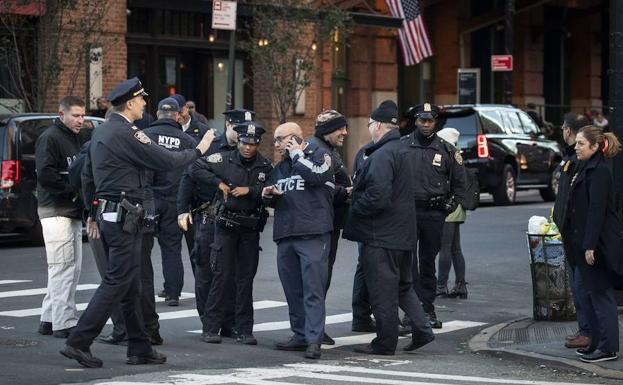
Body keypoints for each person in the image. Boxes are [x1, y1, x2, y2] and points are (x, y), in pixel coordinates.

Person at [60, 77, 216, 368]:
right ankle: (78, 342)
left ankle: (139, 346)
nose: (145, 104)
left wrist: (92, 212)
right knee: (118, 281)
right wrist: (199, 149)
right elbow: (167, 161)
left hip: (111, 215)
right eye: (142, 99)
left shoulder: (104, 132)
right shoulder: (126, 132)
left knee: (130, 283)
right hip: (123, 216)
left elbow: (87, 175)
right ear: (130, 103)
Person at [343, 100, 434, 355]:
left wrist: (355, 206)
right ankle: (423, 330)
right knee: (404, 287)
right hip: (403, 234)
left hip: (381, 236)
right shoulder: (402, 149)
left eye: (371, 124)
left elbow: (378, 197)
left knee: (383, 292)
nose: (370, 128)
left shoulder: (382, 154)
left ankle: (385, 343)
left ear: (379, 126)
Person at [190, 121, 272, 345]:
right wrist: (219, 183)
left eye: (253, 144)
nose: (248, 148)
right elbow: (195, 168)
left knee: (245, 279)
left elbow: (271, 191)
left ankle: (244, 330)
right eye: (245, 143)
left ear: (258, 144)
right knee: (221, 276)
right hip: (225, 227)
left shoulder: (265, 165)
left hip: (250, 229)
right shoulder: (224, 160)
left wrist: (251, 190)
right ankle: (211, 328)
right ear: (239, 141)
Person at [177, 108, 253, 340]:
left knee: (233, 273)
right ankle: (208, 321)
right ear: (228, 125)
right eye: (238, 131)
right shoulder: (210, 146)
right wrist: (182, 210)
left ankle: (228, 323)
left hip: (235, 220)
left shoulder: (246, 152)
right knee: (206, 272)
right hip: (207, 217)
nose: (243, 138)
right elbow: (188, 177)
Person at [263, 122, 334, 360]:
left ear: (292, 139)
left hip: (313, 233)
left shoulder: (319, 154)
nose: (276, 145)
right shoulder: (280, 167)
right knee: (293, 290)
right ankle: (300, 335)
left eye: (279, 140)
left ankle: (314, 340)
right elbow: (271, 194)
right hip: (286, 234)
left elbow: (316, 176)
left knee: (312, 290)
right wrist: (267, 195)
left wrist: (297, 155)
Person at [402, 103, 467, 329]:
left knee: (428, 263)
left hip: (433, 214)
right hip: (408, 213)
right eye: (422, 120)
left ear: (436, 122)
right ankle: (410, 311)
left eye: (430, 121)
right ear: (415, 121)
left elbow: (461, 184)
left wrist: (450, 205)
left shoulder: (447, 150)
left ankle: (427, 309)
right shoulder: (402, 146)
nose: (427, 125)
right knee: (408, 264)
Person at [563, 125, 621, 363]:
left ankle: (608, 347)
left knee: (600, 295)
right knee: (588, 294)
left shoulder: (600, 171)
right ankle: (596, 343)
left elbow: (597, 212)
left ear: (595, 147)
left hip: (596, 244)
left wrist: (590, 246)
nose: (576, 147)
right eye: (576, 143)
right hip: (582, 242)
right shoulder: (585, 166)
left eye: (581, 144)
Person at [35, 96, 85, 339]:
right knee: (64, 268)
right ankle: (64, 322)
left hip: (67, 211)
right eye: (75, 115)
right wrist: (73, 193)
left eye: (82, 115)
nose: (80, 120)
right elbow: (45, 175)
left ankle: (48, 318)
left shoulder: (72, 138)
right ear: (61, 113)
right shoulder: (50, 138)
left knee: (66, 268)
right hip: (57, 211)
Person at [143, 97, 198, 307]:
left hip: (150, 199)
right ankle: (173, 293)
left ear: (157, 114)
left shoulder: (146, 136)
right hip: (176, 200)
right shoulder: (188, 141)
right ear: (177, 116)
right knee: (172, 248)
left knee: (143, 248)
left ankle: (144, 291)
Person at [306, 110, 351, 345]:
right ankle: (312, 330)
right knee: (318, 280)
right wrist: (346, 192)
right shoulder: (318, 151)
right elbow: (316, 188)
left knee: (322, 279)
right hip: (321, 226)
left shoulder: (327, 150)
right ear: (326, 131)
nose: (345, 132)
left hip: (329, 224)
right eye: (339, 128)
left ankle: (314, 328)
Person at [552, 112, 592, 350]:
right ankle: (586, 330)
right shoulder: (572, 157)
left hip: (578, 233)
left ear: (567, 129)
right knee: (579, 285)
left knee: (581, 286)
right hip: (572, 231)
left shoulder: (580, 160)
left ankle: (588, 332)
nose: (577, 147)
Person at [435, 128, 468, 299]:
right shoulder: (457, 155)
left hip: (448, 206)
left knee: (445, 248)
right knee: (455, 248)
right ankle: (460, 285)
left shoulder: (447, 155)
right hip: (457, 206)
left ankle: (441, 286)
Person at [350, 142, 375, 333]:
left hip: (368, 218)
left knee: (365, 266)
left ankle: (362, 316)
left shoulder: (366, 150)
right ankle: (363, 316)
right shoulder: (368, 151)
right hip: (373, 220)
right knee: (371, 268)